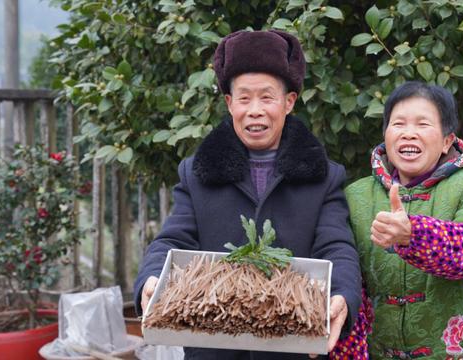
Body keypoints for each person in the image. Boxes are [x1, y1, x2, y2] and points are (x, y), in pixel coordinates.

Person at [134, 29, 362, 360]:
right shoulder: (196, 173)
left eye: (267, 97)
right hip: (213, 348)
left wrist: (342, 294)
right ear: (229, 104)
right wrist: (151, 279)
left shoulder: (324, 177)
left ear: (289, 102)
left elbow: (336, 245)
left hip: (293, 349)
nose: (254, 110)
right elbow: (173, 240)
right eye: (243, 98)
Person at [330, 81, 463, 359]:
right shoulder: (356, 196)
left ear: (447, 140)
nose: (409, 134)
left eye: (423, 125)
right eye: (398, 124)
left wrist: (414, 235)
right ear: (386, 135)